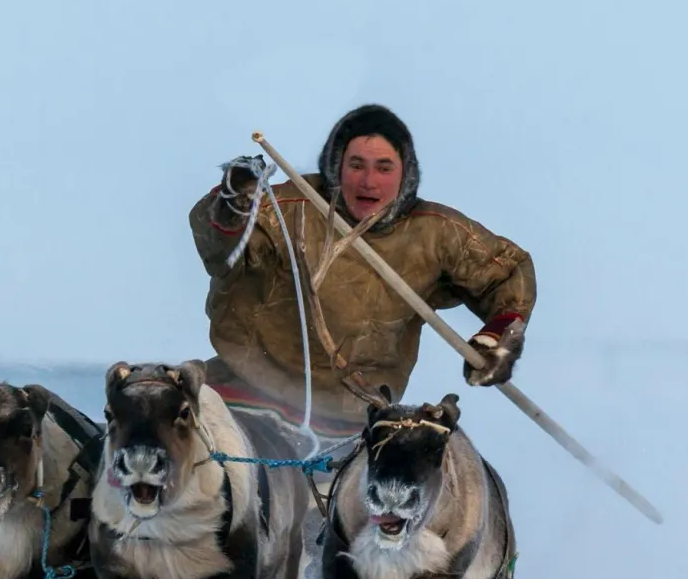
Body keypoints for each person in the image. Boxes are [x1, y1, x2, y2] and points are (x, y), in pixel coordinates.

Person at [189, 103, 536, 448]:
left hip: (350, 420)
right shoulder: (283, 210)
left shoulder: (435, 234)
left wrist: (498, 338)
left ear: (406, 173)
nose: (368, 181)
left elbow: (506, 272)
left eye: (384, 168)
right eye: (356, 165)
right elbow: (222, 250)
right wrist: (231, 207)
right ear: (336, 165)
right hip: (242, 396)